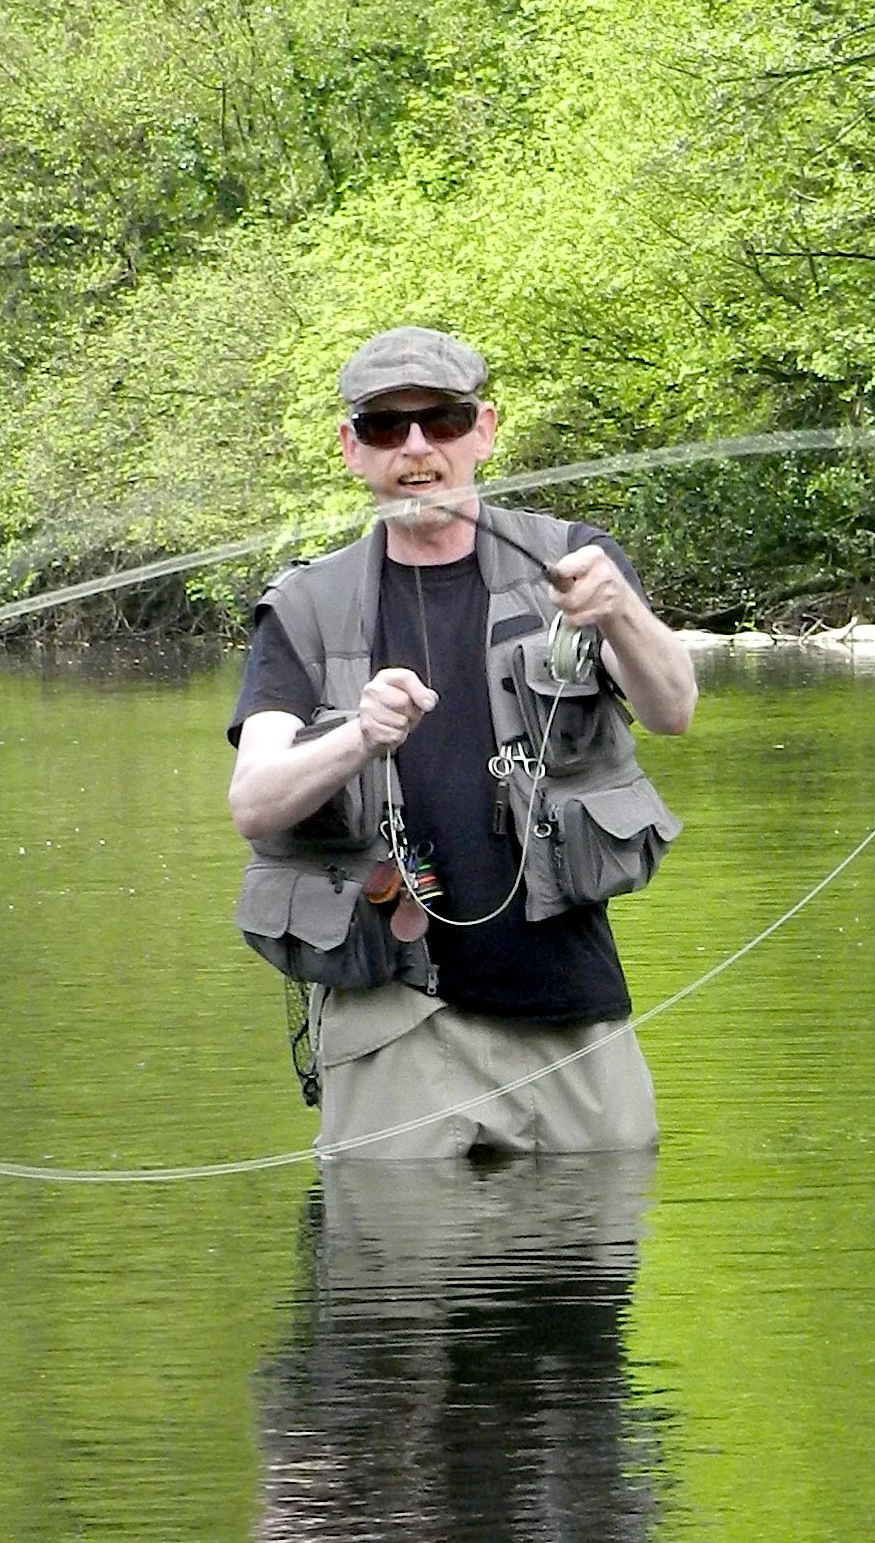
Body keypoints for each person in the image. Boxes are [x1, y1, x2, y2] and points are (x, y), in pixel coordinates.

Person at [227, 326, 696, 1159]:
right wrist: (356, 739)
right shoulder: (304, 606)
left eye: (440, 421)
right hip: (388, 1022)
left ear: (483, 430)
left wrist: (619, 608)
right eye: (384, 427)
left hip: (566, 1006)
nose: (416, 448)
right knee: (387, 1276)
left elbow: (672, 710)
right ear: (351, 449)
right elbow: (253, 802)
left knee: (590, 1266)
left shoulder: (575, 564)